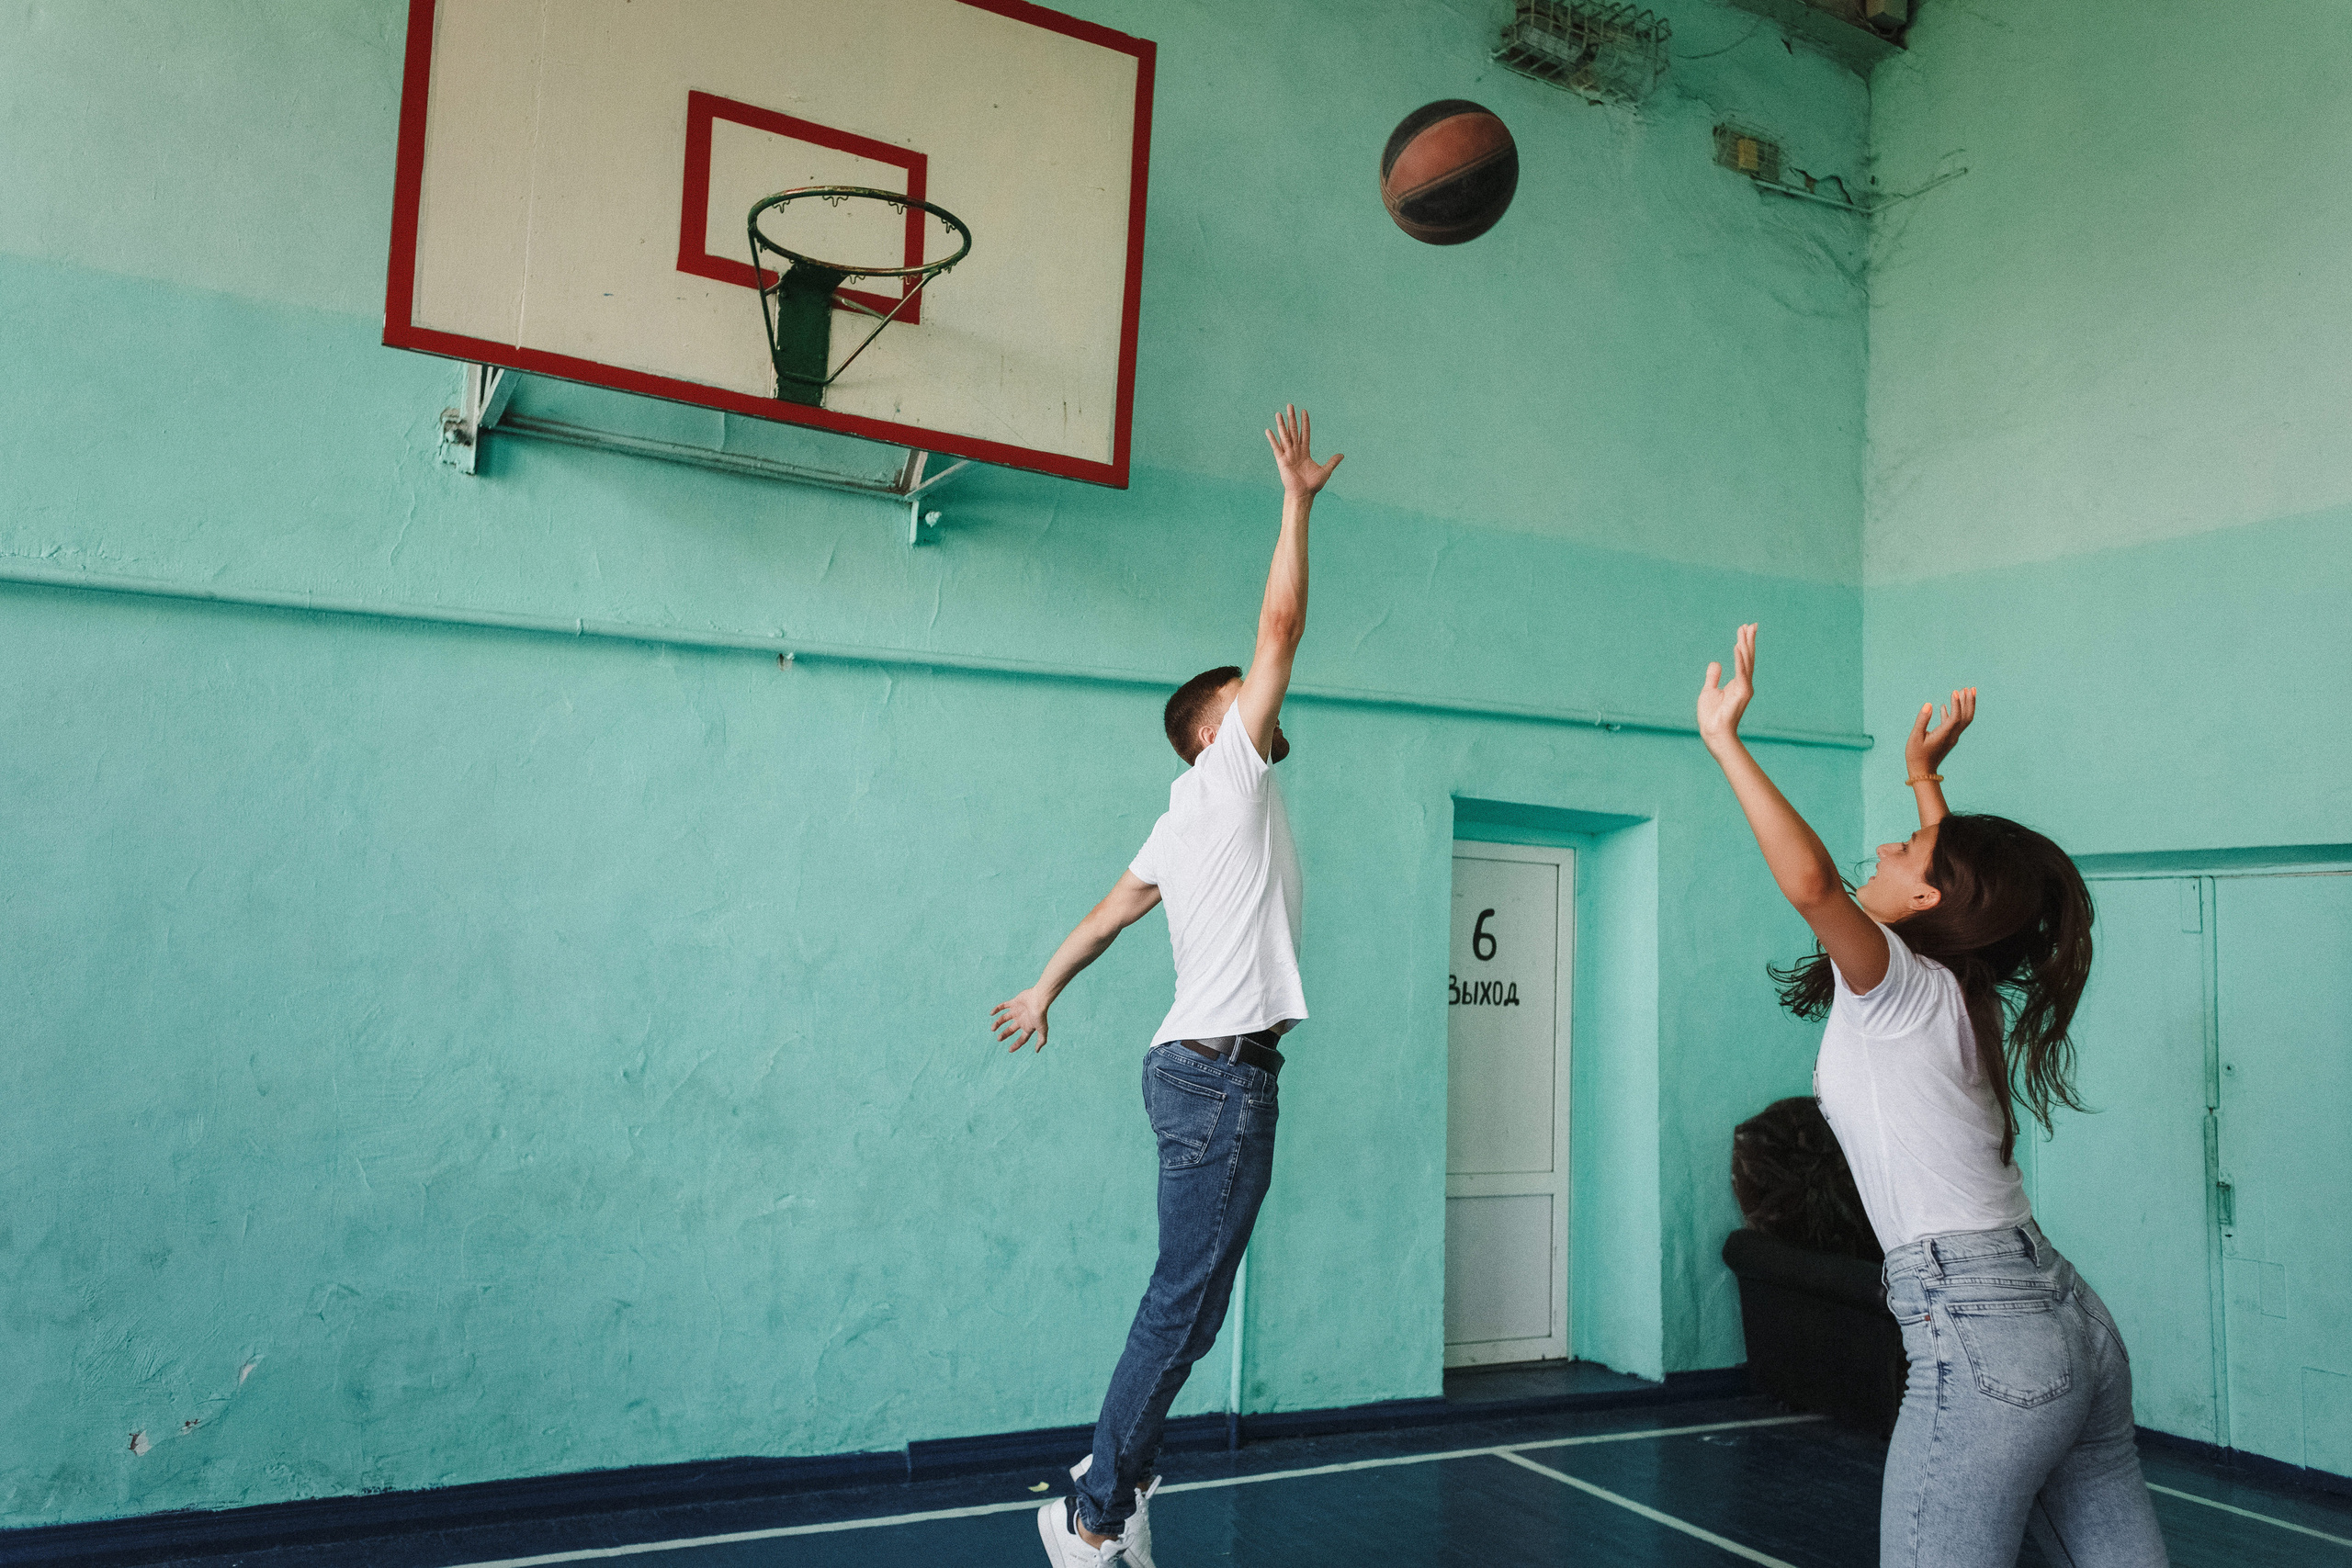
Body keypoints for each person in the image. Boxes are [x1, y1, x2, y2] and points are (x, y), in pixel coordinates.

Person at [1696, 626, 2167, 1568]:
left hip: (1984, 1330)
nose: (1883, 844)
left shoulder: (1903, 988)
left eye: (1904, 846)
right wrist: (1924, 785)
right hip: (2068, 1316)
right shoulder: (1963, 988)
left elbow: (1812, 882)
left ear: (1921, 905)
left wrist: (1725, 744)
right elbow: (1943, 899)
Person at [992, 406, 1342, 1567]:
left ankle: (1114, 1494)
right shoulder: (1227, 773)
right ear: (1211, 730)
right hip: (1218, 1082)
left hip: (1194, 1074)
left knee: (1186, 1307)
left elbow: (1108, 914)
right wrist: (1294, 502)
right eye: (1242, 695)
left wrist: (1045, 990)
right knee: (1181, 1309)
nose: (1263, 701)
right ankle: (1091, 1517)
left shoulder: (1182, 818)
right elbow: (1281, 622)